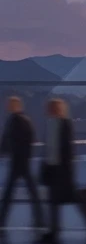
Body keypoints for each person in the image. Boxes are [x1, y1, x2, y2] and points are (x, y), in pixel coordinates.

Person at [38, 99, 75, 244]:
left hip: (61, 170)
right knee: (53, 202)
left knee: (58, 201)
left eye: (51, 107)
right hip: (52, 168)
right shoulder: (50, 124)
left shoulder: (65, 124)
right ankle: (53, 232)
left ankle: (54, 234)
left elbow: (68, 150)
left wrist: (68, 172)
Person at [1, 96, 41, 231]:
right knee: (32, 193)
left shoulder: (13, 121)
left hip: (18, 162)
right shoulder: (23, 121)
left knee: (9, 194)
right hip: (22, 162)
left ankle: (2, 221)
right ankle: (39, 220)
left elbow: (6, 141)